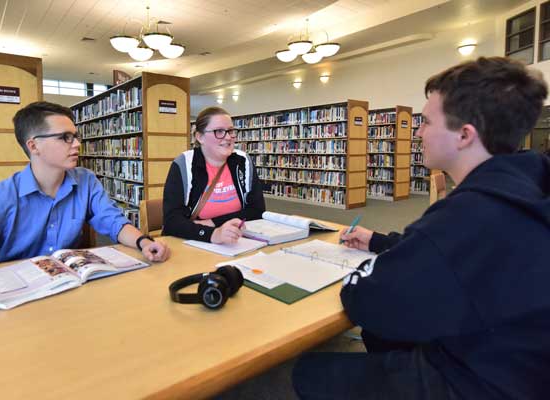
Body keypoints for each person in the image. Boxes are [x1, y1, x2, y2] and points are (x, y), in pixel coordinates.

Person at [293, 56, 550, 399]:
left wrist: (371, 270)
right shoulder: (528, 188)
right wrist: (379, 241)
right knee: (386, 336)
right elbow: (451, 252)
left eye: (426, 122)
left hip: (479, 382)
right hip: (526, 368)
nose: (416, 133)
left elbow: (366, 300)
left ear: (464, 135)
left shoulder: (467, 212)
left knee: (309, 371)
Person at [0, 101, 170, 267]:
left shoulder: (86, 181)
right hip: (14, 294)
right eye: (65, 137)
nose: (77, 144)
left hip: (67, 284)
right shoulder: (4, 196)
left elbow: (112, 221)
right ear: (34, 146)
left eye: (75, 136)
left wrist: (143, 242)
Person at [162, 106, 265, 244]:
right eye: (219, 131)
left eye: (230, 131)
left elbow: (257, 211)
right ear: (200, 137)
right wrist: (213, 234)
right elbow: (172, 222)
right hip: (195, 242)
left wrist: (212, 223)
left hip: (236, 242)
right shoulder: (184, 164)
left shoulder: (243, 161)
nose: (228, 137)